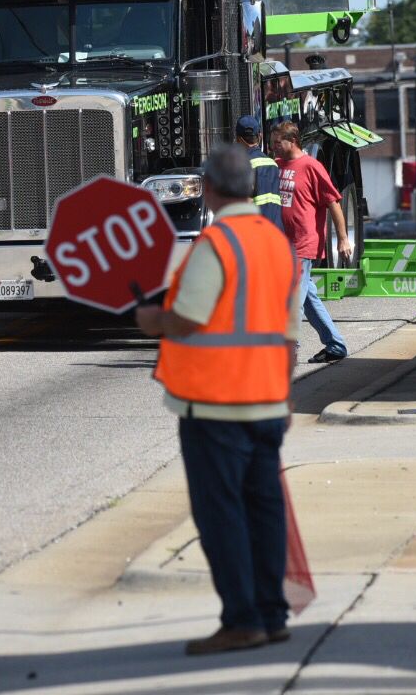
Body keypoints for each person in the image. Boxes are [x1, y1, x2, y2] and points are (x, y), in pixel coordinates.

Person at [137, 143, 304, 655]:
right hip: (266, 400)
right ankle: (272, 613)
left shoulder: (216, 241)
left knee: (222, 515)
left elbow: (188, 316)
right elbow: (288, 331)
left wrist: (151, 320)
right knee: (264, 510)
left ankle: (242, 619)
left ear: (208, 188)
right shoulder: (274, 242)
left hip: (214, 403)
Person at [270, 121, 351, 364]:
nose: (274, 147)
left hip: (303, 244)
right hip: (283, 245)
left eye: (277, 143)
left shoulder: (311, 166)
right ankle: (335, 345)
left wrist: (343, 239)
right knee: (308, 298)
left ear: (292, 141)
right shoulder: (277, 165)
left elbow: (333, 202)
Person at [235, 114, 284, 229]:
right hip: (276, 232)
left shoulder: (243, 165)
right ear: (259, 136)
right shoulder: (272, 163)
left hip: (257, 233)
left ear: (238, 139)